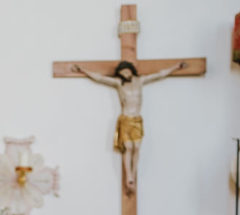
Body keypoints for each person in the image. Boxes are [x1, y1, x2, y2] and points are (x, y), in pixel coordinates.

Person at [72, 60, 186, 195]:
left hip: (137, 119)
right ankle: (129, 177)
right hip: (126, 118)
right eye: (122, 72)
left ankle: (133, 173)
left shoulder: (140, 81)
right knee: (128, 148)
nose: (126, 74)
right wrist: (83, 70)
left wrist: (176, 67)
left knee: (137, 147)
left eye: (127, 70)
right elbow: (100, 78)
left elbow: (159, 75)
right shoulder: (118, 83)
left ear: (131, 70)